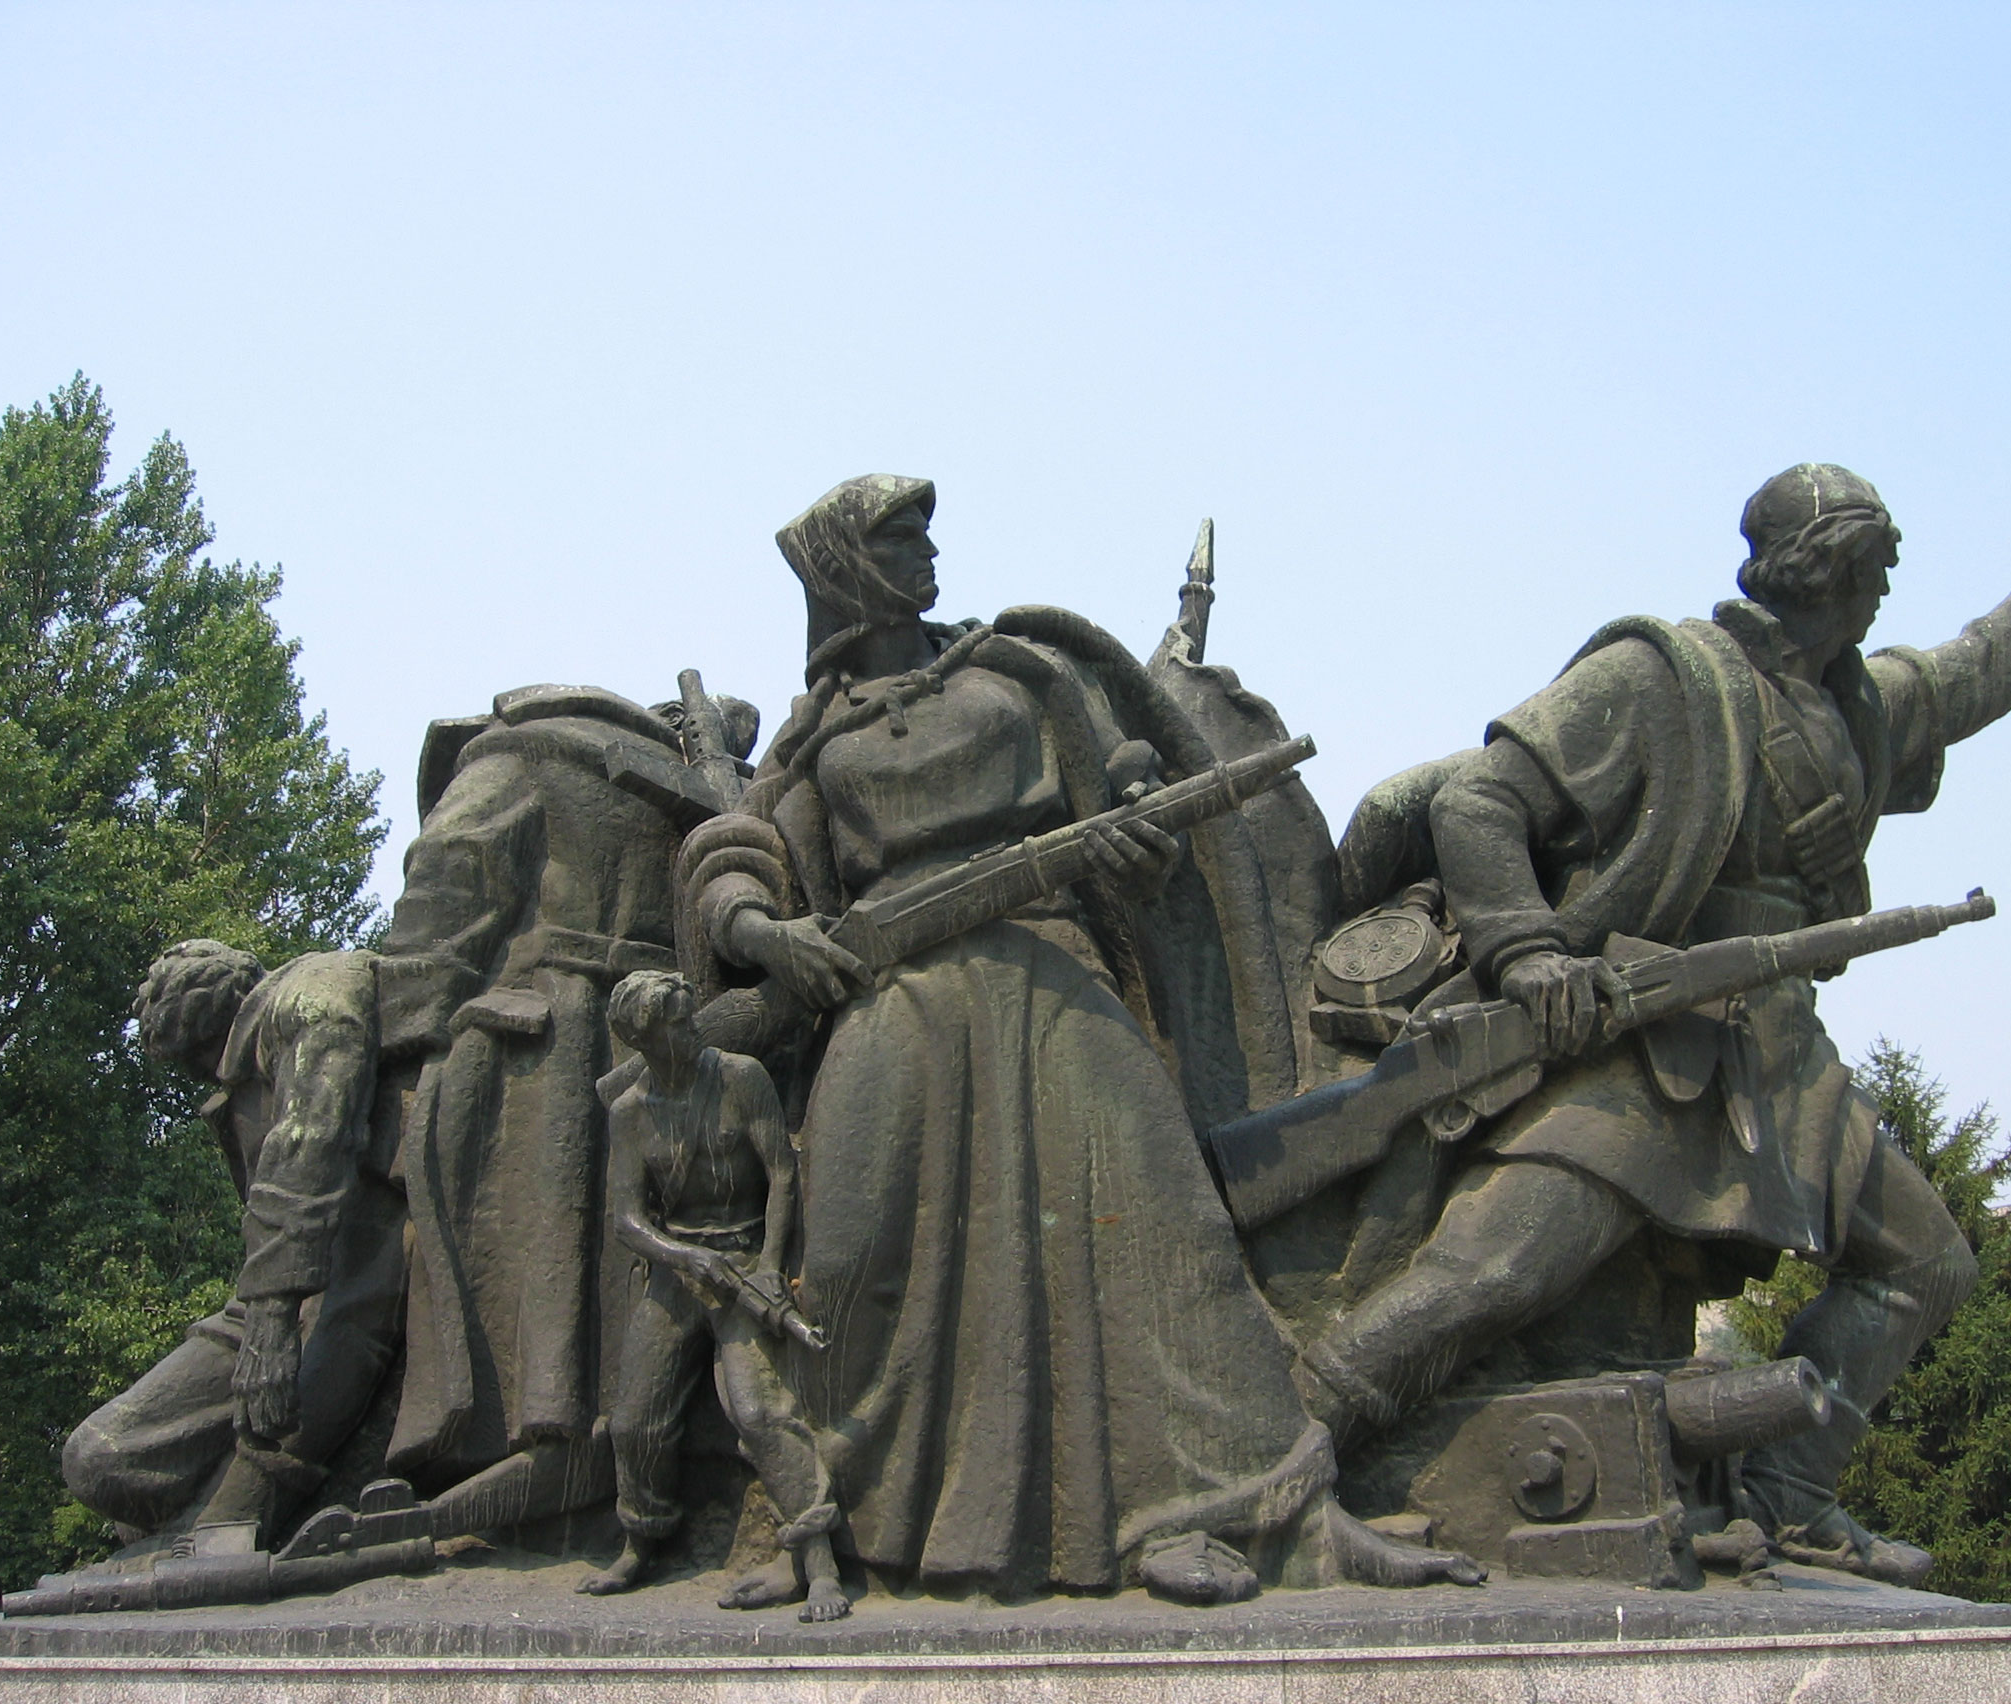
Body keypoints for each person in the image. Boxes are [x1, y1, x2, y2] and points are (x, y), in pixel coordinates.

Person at [1292, 468, 2011, 1585]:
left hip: (1781, 1052)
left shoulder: (1855, 704)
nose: (1888, 587)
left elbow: (1971, 670)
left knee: (1925, 1264)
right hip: (1647, 1032)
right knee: (1494, 1271)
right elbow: (1479, 800)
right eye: (1876, 563)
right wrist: (1528, 950)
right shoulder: (1662, 676)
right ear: (1823, 564)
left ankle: (1786, 1494)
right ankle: (1279, 1477)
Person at [676, 474, 1480, 1605]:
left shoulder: (1015, 671)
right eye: (900, 538)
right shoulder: (817, 738)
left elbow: (1126, 801)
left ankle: (1266, 1519)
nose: (927, 553)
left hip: (1049, 962)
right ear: (847, 573)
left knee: (1158, 1224)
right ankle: (813, 1528)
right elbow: (736, 856)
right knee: (849, 1263)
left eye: (926, 533)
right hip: (898, 1002)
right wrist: (771, 934)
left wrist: (1135, 843)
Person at [64, 941, 406, 1539]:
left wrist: (273, 1323)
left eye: (195, 1062)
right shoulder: (254, 1050)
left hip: (353, 1282)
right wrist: (264, 1314)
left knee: (214, 1518)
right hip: (273, 1296)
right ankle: (201, 1524)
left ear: (206, 1036)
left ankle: (235, 1518)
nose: (208, 1080)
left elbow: (311, 1139)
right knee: (99, 1459)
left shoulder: (314, 997)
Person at [577, 969, 848, 1621]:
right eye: (674, 1021)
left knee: (759, 1412)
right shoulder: (630, 1112)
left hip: (746, 1261)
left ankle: (820, 1566)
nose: (690, 1026)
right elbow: (626, 1221)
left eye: (688, 1013)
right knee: (634, 1421)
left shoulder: (738, 1076)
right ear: (640, 1037)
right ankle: (642, 1540)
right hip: (678, 1273)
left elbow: (782, 1174)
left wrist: (769, 1267)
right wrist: (684, 1255)